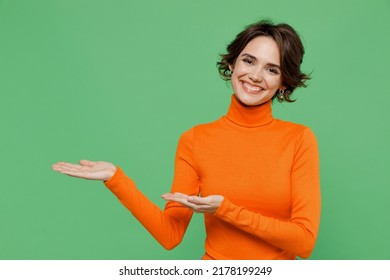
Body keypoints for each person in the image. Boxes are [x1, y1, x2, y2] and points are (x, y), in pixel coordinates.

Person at [52, 20, 321, 260]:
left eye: (272, 69)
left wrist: (226, 210)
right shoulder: (196, 140)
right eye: (249, 61)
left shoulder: (298, 139)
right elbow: (170, 234)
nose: (255, 76)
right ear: (232, 64)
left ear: (284, 82)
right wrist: (116, 179)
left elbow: (304, 242)